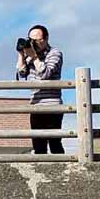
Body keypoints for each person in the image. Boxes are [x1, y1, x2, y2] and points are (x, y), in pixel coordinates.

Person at [15, 24, 65, 154]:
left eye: (37, 40)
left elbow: (45, 74)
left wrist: (35, 58)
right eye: (31, 40)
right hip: (35, 105)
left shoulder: (55, 53)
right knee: (38, 145)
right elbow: (21, 74)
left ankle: (61, 166)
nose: (34, 43)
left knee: (54, 143)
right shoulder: (30, 55)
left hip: (52, 105)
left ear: (46, 38)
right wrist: (21, 55)